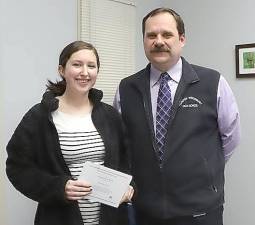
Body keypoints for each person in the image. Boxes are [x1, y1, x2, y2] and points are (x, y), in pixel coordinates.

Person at [114, 7, 241, 225]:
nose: (158, 41)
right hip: (146, 210)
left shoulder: (212, 83)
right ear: (143, 40)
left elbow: (231, 137)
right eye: (151, 35)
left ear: (181, 39)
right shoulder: (127, 88)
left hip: (200, 211)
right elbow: (122, 143)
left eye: (167, 34)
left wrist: (203, 167)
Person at [6, 40, 134, 225]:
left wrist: (130, 187)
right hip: (58, 218)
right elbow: (17, 168)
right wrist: (58, 187)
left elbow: (127, 163)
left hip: (111, 219)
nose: (84, 72)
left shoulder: (110, 116)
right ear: (61, 70)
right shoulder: (40, 116)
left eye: (91, 66)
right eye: (76, 64)